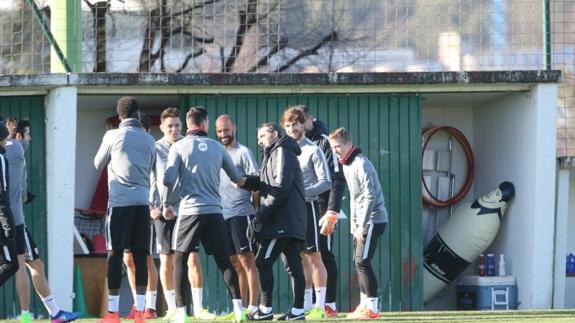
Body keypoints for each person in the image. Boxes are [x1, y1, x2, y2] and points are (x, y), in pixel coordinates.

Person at [162, 106, 247, 323]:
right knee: (224, 262)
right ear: (205, 124)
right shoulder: (217, 148)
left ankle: (182, 313)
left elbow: (169, 178)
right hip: (215, 212)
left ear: (188, 124)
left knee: (179, 258)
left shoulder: (178, 147)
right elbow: (237, 178)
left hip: (190, 211)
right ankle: (239, 311)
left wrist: (165, 202)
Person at [5, 118, 80, 323]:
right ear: (19, 136)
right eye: (28, 135)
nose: (29, 139)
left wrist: (22, 193)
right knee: (21, 265)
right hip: (13, 220)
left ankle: (55, 313)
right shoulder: (15, 149)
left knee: (35, 264)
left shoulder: (10, 151)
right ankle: (26, 315)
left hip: (12, 217)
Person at [94, 97, 156, 323]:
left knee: (115, 254)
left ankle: (113, 313)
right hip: (142, 204)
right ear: (138, 115)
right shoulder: (150, 140)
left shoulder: (112, 135)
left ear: (119, 116)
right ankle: (140, 311)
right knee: (140, 255)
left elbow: (97, 163)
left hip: (119, 204)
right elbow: (150, 169)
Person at [242, 122, 307, 321]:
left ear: (275, 134)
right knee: (294, 267)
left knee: (262, 262)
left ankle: (265, 309)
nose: (259, 141)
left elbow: (280, 188)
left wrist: (260, 216)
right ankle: (297, 312)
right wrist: (243, 181)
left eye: (262, 136)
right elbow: (264, 181)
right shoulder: (273, 154)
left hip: (282, 222)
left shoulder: (282, 151)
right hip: (290, 221)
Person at [328, 128, 388, 320]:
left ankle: (372, 308)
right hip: (361, 222)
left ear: (348, 144)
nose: (335, 150)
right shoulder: (346, 164)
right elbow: (355, 199)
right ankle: (364, 306)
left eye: (337, 146)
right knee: (358, 261)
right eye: (332, 147)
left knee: (362, 261)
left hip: (373, 220)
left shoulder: (361, 163)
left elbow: (370, 197)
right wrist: (354, 225)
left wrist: (362, 225)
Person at [294, 105, 346, 317]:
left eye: (299, 122)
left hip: (321, 208)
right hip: (302, 207)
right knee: (305, 257)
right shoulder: (294, 144)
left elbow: (337, 179)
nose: (295, 127)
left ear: (309, 120)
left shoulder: (324, 141)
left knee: (323, 255)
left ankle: (328, 304)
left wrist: (331, 211)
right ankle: (310, 305)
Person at [281, 108, 331, 319]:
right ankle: (305, 306)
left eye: (295, 124)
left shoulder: (314, 150)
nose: (292, 128)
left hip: (309, 208)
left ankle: (320, 307)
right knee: (298, 258)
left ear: (303, 124)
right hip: (289, 212)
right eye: (288, 125)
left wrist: (303, 193)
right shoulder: (283, 150)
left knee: (314, 256)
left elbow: (326, 182)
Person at [215, 115, 260, 318]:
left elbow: (256, 182)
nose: (223, 135)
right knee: (234, 263)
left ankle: (253, 306)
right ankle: (239, 308)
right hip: (222, 215)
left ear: (235, 128)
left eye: (226, 130)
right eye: (219, 131)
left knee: (247, 261)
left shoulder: (244, 152)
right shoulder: (217, 153)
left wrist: (254, 208)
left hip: (242, 214)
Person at [124, 113, 160, 319]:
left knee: (146, 259)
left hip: (146, 209)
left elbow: (159, 179)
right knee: (129, 259)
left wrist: (154, 205)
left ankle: (150, 307)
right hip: (127, 207)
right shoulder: (127, 148)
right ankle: (137, 306)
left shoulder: (151, 147)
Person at [0, 123, 19, 287]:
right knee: (11, 264)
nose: (7, 141)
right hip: (1, 220)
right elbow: (2, 193)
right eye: (4, 138)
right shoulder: (0, 158)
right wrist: (8, 225)